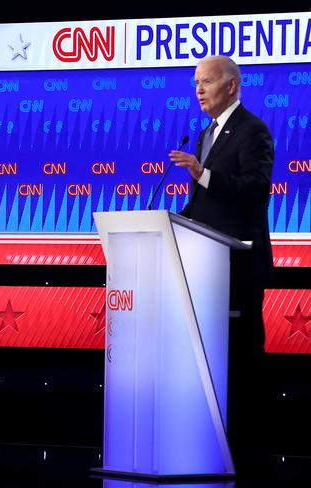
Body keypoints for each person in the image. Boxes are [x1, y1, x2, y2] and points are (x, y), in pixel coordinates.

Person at [169, 56, 274, 475]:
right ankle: (212, 445)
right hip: (206, 271)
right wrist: (174, 224)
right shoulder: (205, 134)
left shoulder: (253, 130)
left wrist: (203, 174)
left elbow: (256, 191)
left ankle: (250, 455)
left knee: (243, 363)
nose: (198, 89)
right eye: (195, 82)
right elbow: (202, 204)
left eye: (206, 81)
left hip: (239, 267)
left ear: (231, 85)